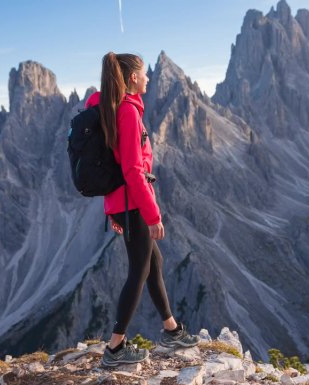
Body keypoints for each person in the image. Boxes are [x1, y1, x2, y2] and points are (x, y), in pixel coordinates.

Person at [87, 52, 200, 367]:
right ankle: (114, 348)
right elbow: (133, 171)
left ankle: (171, 329)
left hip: (123, 203)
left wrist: (114, 212)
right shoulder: (126, 112)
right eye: (144, 73)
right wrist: (153, 216)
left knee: (153, 262)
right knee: (139, 270)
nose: (149, 77)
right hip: (134, 202)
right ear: (132, 78)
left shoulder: (111, 108)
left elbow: (113, 164)